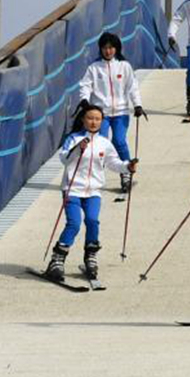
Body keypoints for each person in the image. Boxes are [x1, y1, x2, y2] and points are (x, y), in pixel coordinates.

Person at [44, 103, 138, 283]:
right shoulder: (73, 138)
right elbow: (64, 159)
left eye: (97, 119)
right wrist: (78, 149)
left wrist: (127, 166)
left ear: (102, 122)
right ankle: (57, 260)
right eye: (90, 118)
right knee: (74, 223)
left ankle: (90, 257)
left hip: (93, 191)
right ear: (83, 120)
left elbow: (113, 163)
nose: (94, 122)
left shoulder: (104, 143)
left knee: (93, 221)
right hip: (72, 189)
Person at [77, 32, 146, 193]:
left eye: (111, 48)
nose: (108, 51)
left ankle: (126, 172)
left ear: (116, 48)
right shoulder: (94, 68)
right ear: (100, 49)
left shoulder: (124, 66)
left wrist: (137, 105)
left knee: (119, 141)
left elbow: (132, 87)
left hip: (121, 112)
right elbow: (85, 85)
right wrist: (85, 100)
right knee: (99, 141)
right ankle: (93, 174)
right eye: (105, 48)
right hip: (101, 113)